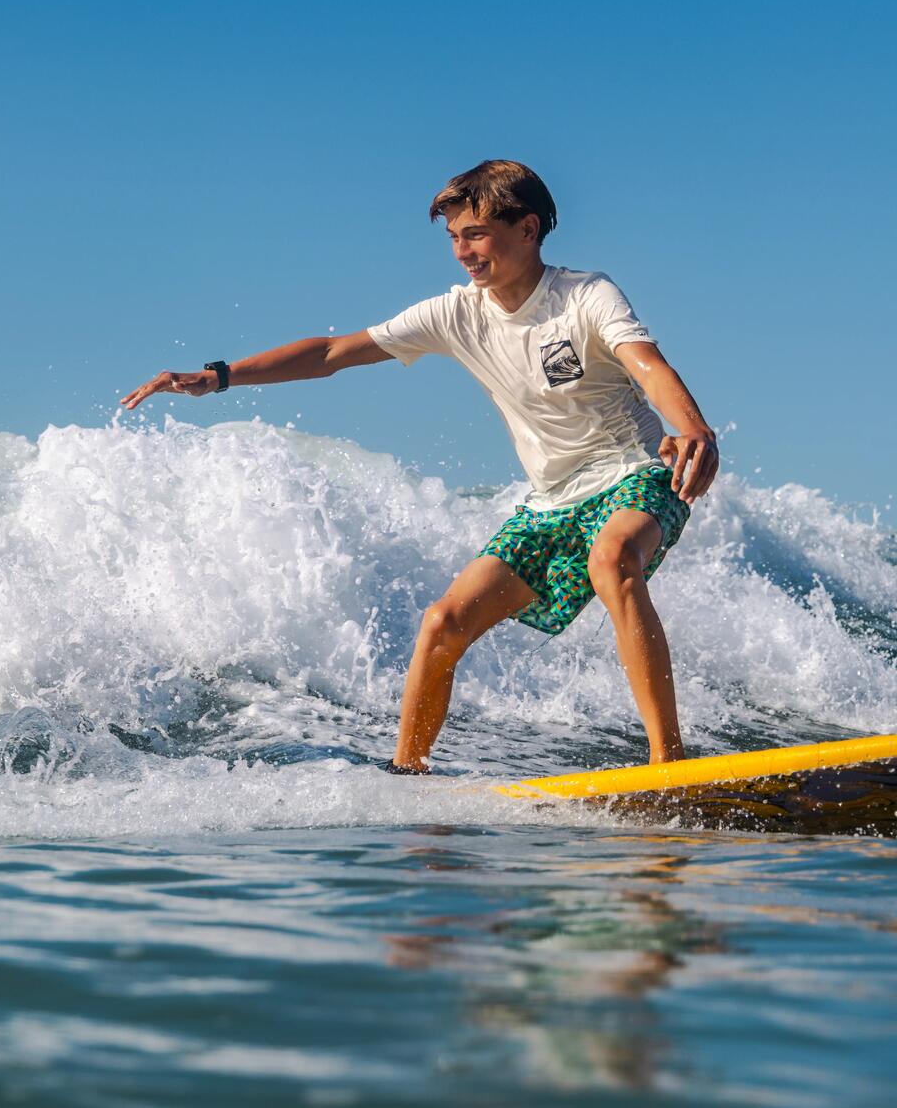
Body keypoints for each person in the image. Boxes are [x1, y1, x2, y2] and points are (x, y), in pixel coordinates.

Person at [121, 160, 718, 772]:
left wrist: (692, 427)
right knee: (442, 622)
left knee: (611, 558)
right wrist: (220, 376)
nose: (462, 252)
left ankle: (667, 763)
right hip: (551, 500)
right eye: (454, 237)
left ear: (528, 228)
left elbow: (647, 365)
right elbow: (331, 352)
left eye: (476, 234)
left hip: (637, 472)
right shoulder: (455, 314)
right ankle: (408, 775)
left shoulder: (585, 295)